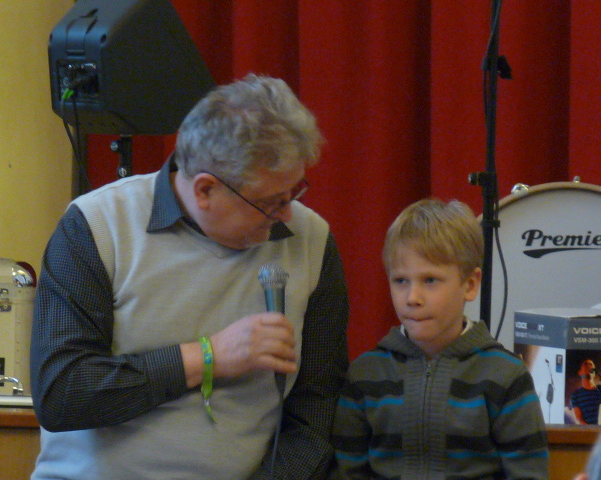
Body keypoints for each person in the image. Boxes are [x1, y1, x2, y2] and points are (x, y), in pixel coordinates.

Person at [30, 74, 349, 480]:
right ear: (205, 190)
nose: (287, 214)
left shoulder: (312, 240)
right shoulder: (96, 226)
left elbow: (316, 414)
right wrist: (207, 357)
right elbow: (62, 393)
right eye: (270, 202)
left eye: (294, 193)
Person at [328, 198, 548, 480]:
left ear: (470, 284)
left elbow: (529, 473)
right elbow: (347, 472)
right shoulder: (365, 374)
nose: (412, 298)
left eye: (430, 280)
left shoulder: (506, 376)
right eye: (400, 281)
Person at [571, 359, 601, 425]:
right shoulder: (576, 395)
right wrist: (591, 429)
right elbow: (579, 419)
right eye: (585, 364)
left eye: (591, 364)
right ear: (580, 372)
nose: (589, 366)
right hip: (588, 430)